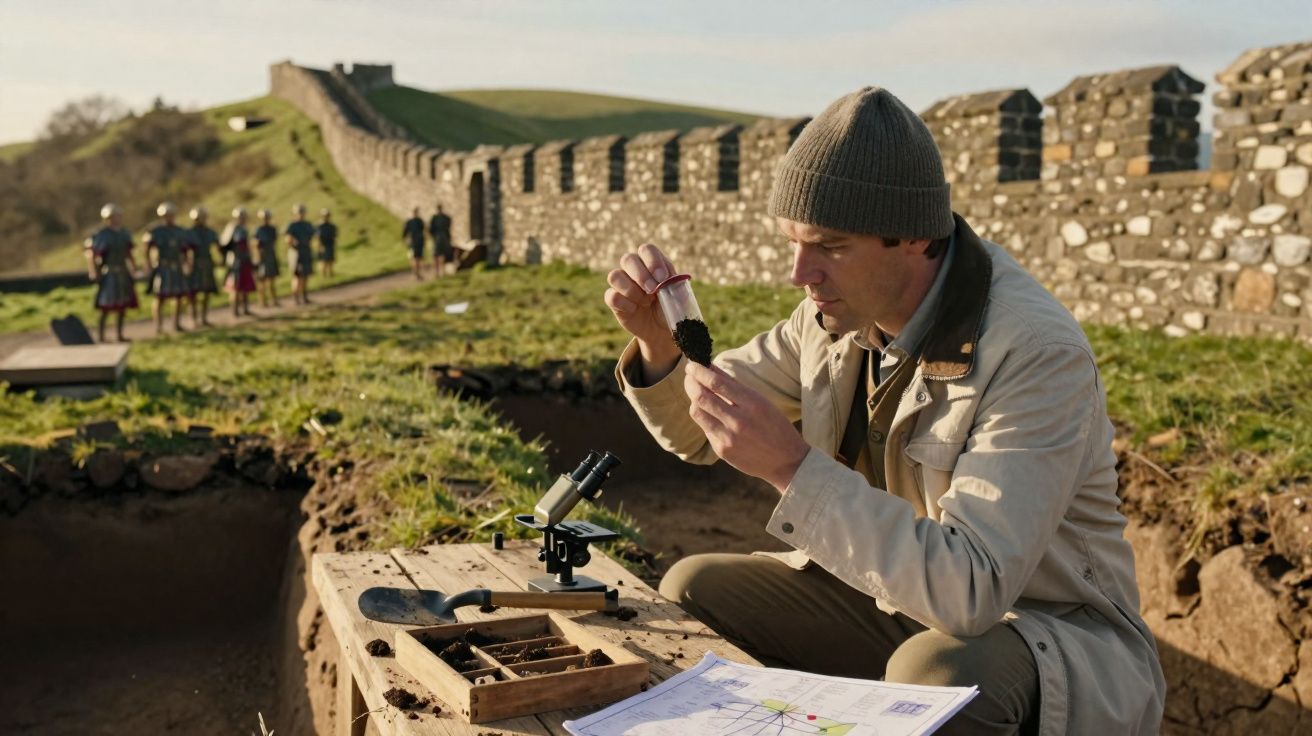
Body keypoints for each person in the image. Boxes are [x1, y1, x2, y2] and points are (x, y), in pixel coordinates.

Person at [604, 87, 1165, 735]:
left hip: (1040, 632)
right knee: (693, 589)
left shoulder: (1034, 353)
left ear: (917, 239)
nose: (799, 273)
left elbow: (973, 590)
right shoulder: (827, 318)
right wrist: (657, 342)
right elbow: (696, 432)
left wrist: (792, 469)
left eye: (830, 246)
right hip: (894, 604)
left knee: (938, 678)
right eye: (793, 241)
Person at [84, 203, 139, 342]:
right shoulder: (102, 235)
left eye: (118, 216)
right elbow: (92, 254)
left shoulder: (124, 233)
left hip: (123, 273)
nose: (116, 219)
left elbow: (128, 253)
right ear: (107, 218)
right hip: (109, 274)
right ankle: (101, 336)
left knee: (122, 306)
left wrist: (133, 267)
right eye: (113, 216)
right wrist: (94, 271)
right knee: (106, 307)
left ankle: (119, 335)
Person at [143, 201, 193, 334]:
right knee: (160, 297)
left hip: (176, 267)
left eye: (171, 215)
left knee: (178, 297)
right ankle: (158, 326)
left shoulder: (180, 231)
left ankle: (176, 324)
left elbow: (185, 250)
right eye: (166, 215)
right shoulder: (155, 231)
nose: (169, 217)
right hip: (162, 268)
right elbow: (147, 249)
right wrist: (148, 263)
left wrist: (187, 263)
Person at [186, 205, 220, 328]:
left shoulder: (210, 232)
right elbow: (185, 250)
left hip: (207, 263)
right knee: (192, 293)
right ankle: (193, 318)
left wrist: (220, 259)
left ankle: (204, 318)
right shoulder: (189, 233)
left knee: (207, 292)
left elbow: (218, 246)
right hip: (194, 265)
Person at [221, 207, 257, 317]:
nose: (242, 219)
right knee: (236, 287)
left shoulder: (244, 229)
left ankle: (245, 309)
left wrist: (251, 258)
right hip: (235, 262)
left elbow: (247, 246)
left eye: (244, 217)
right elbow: (225, 245)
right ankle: (235, 310)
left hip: (245, 260)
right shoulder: (232, 228)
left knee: (245, 286)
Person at [285, 203, 316, 304]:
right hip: (296, 254)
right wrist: (292, 241)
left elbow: (312, 236)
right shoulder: (292, 225)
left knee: (305, 276)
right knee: (297, 277)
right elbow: (287, 238)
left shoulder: (307, 225)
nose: (301, 214)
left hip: (306, 252)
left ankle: (304, 297)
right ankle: (296, 298)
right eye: (299, 212)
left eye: (302, 212)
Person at [254, 208, 281, 307]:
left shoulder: (272, 229)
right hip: (262, 257)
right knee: (262, 281)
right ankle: (262, 301)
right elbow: (256, 244)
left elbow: (274, 243)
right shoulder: (258, 230)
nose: (265, 219)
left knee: (272, 280)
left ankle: (274, 300)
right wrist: (258, 256)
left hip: (271, 255)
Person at [428, 204, 453, 277]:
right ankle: (438, 271)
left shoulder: (443, 218)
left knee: (440, 254)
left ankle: (441, 271)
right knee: (438, 255)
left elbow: (431, 230)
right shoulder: (436, 218)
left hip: (441, 238)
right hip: (440, 237)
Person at [402, 206, 426, 280]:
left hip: (415, 242)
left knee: (415, 258)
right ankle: (416, 273)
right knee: (416, 258)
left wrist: (406, 240)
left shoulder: (411, 221)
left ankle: (416, 273)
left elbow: (404, 234)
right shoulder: (419, 221)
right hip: (416, 242)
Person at [317, 208, 338, 278]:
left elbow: (335, 236)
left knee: (330, 261)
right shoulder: (319, 226)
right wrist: (320, 246)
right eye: (324, 215)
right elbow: (318, 237)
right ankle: (323, 276)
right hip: (323, 245)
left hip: (330, 245)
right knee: (324, 261)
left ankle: (331, 274)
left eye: (327, 215)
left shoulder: (332, 226)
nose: (326, 217)